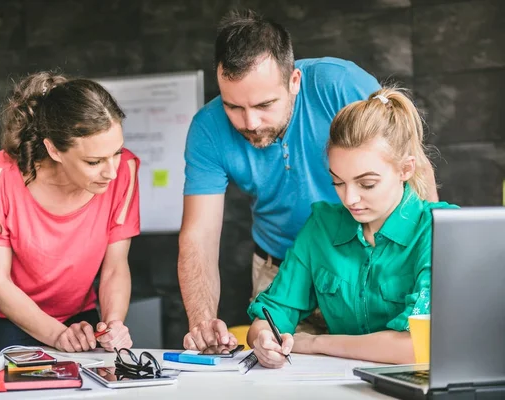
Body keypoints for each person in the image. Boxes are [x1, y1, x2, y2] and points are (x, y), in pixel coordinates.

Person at [179, 9, 439, 350]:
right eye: (233, 107)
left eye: (264, 104)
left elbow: (402, 150)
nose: (251, 122)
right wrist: (203, 324)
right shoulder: (207, 129)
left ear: (294, 81)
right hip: (283, 267)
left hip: (368, 259)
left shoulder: (339, 84)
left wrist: (431, 251)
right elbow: (199, 235)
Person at [246, 87, 458, 367]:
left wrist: (315, 342)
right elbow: (272, 313)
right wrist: (263, 339)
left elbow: (417, 347)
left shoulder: (439, 229)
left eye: (367, 184)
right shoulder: (321, 226)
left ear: (405, 170)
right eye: (338, 182)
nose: (350, 199)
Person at [0, 71, 140, 353]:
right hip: (3, 320)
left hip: (78, 318)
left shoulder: (125, 172)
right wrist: (56, 335)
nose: (111, 171)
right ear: (54, 150)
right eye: (94, 161)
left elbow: (115, 267)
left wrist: (113, 325)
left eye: (116, 152)